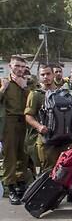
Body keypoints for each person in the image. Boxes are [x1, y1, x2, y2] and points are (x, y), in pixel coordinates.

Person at [24, 64, 72, 203]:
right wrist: (39, 127)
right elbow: (28, 116)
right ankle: (48, 199)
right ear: (39, 76)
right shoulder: (36, 95)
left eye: (48, 74)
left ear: (53, 75)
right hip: (47, 141)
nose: (46, 77)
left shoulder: (63, 93)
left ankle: (71, 193)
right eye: (43, 75)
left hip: (65, 138)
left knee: (69, 169)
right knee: (49, 171)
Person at [0, 56, 30, 204]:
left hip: (25, 121)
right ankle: (10, 187)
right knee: (9, 156)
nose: (20, 69)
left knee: (23, 155)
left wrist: (25, 87)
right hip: (9, 122)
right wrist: (2, 89)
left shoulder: (28, 82)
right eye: (17, 66)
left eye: (22, 66)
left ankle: (21, 185)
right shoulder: (3, 81)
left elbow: (35, 100)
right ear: (10, 66)